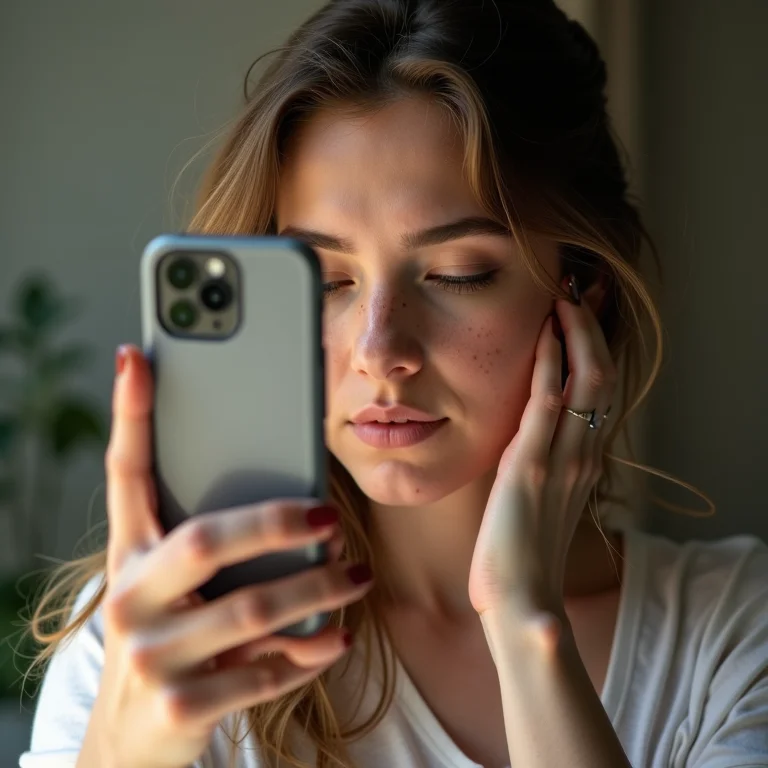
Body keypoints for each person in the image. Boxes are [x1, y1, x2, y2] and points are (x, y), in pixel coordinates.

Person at [18, 1, 768, 767]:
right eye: (321, 279)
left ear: (583, 291)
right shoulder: (155, 646)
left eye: (457, 274)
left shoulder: (737, 636)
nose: (379, 350)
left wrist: (524, 622)